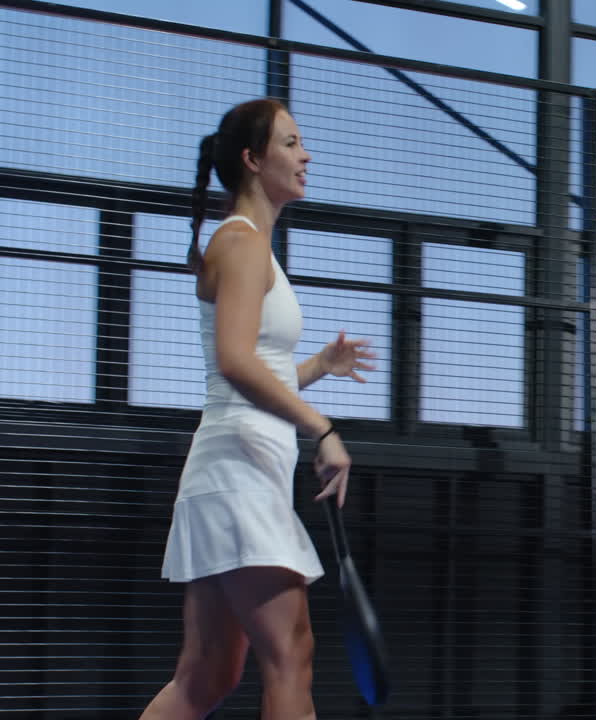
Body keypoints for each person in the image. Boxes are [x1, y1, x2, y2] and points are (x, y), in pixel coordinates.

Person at [139, 98, 376, 720]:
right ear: (252, 159)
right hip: (237, 473)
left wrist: (317, 368)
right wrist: (321, 428)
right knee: (291, 655)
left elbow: (256, 370)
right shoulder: (241, 243)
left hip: (236, 465)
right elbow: (235, 363)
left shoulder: (247, 246)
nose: (306, 155)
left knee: (207, 676)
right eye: (292, 142)